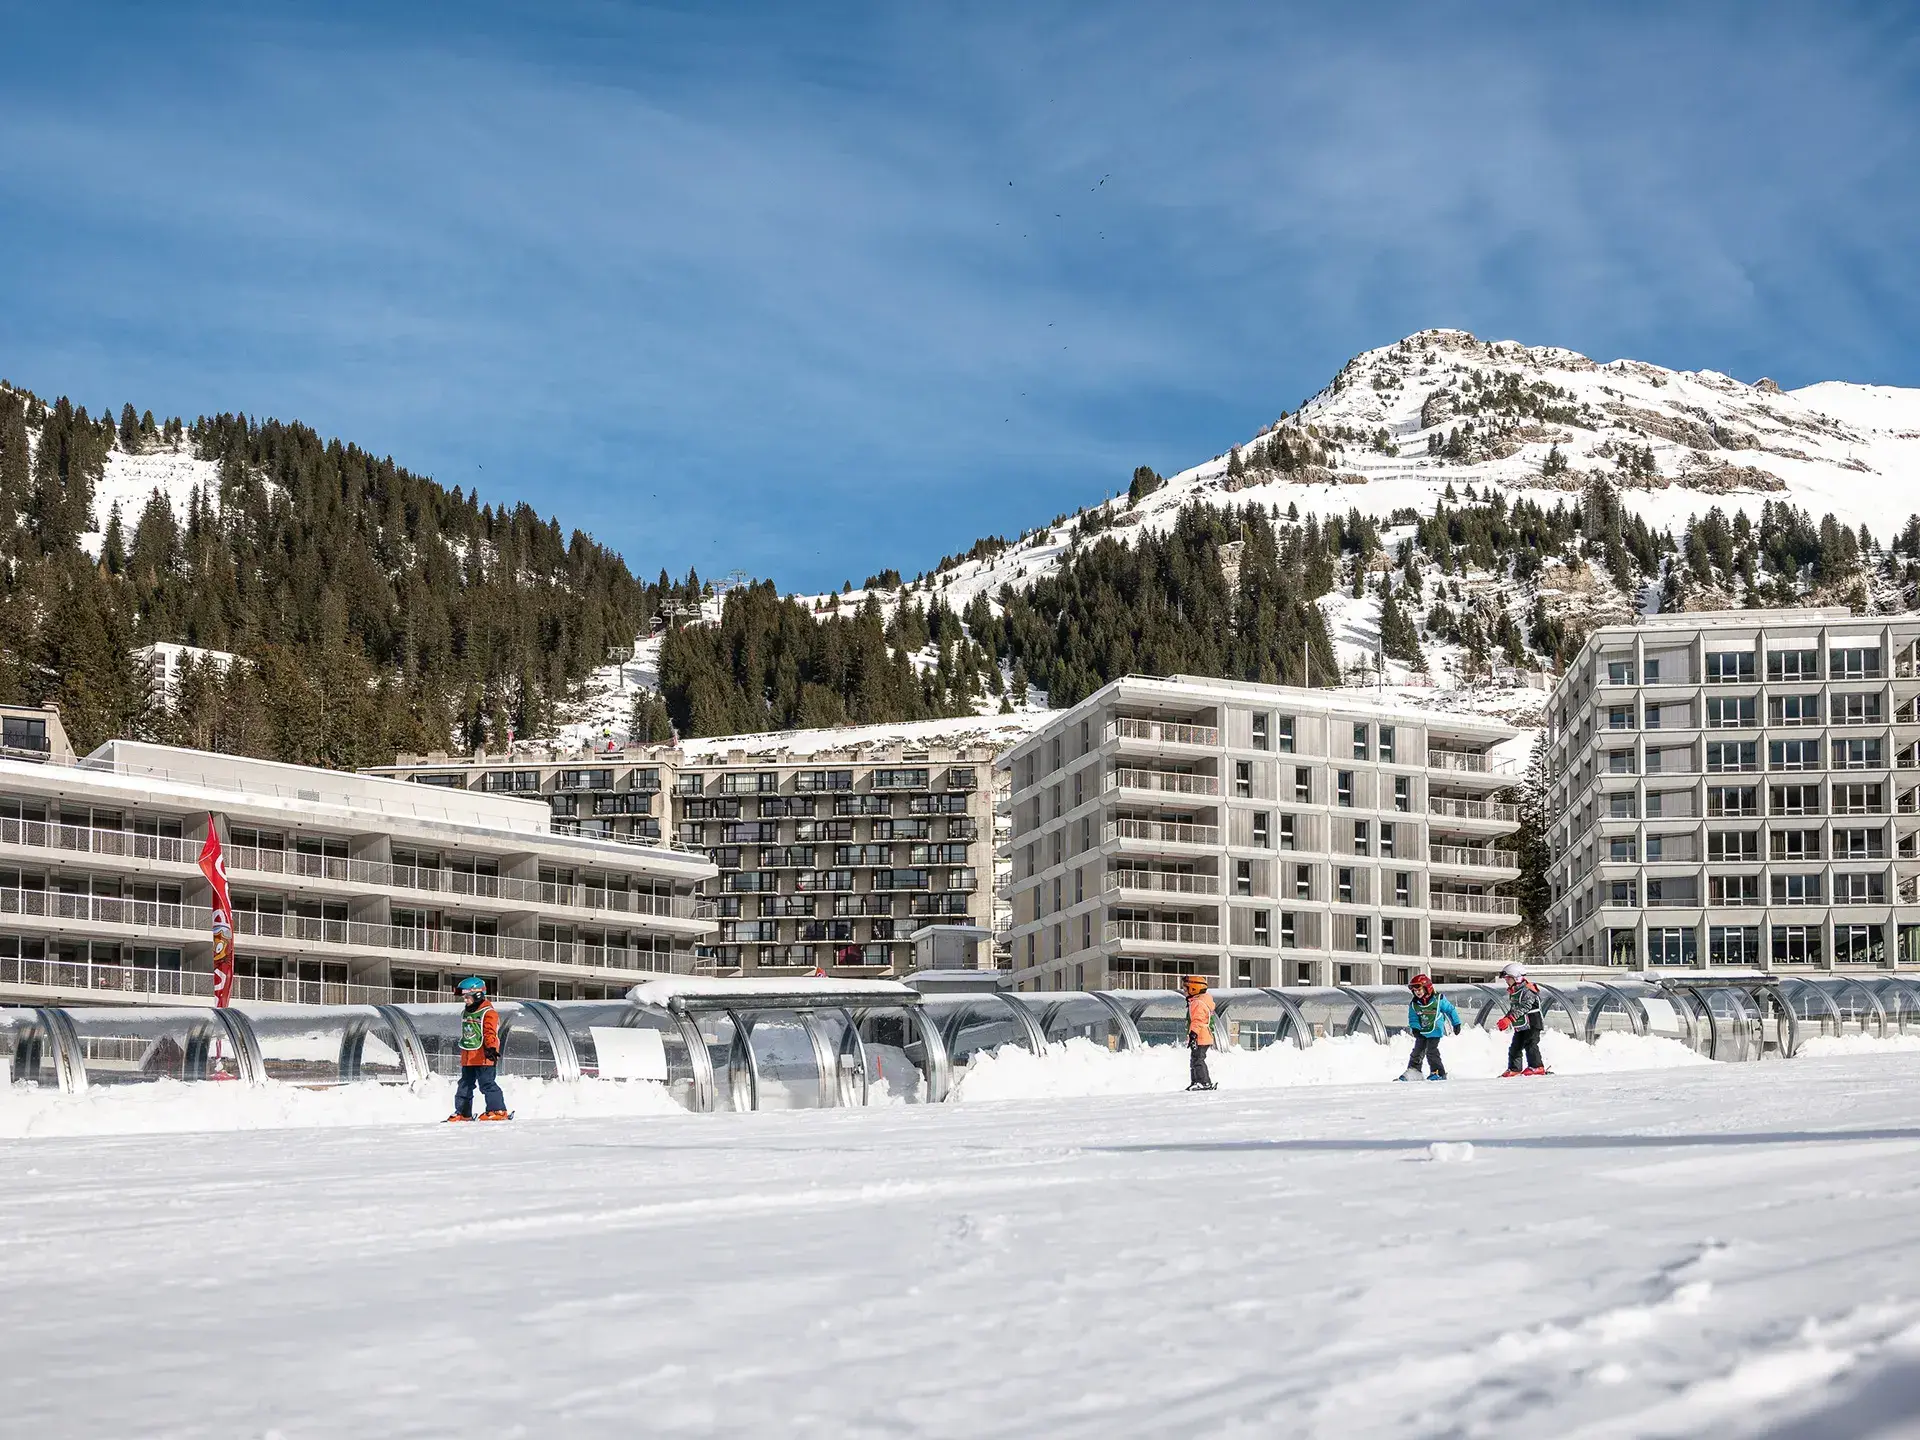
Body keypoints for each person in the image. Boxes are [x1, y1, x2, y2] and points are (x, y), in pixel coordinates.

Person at [447, 977, 511, 1121]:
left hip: (484, 1056)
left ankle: (498, 1110)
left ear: (477, 994)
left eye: (467, 997)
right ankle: (463, 1113)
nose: (465, 1000)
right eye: (464, 997)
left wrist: (491, 1048)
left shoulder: (488, 1013)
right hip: (468, 1056)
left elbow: (490, 1032)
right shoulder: (466, 1012)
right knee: (465, 1085)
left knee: (486, 1083)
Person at [1398, 973, 1460, 1081]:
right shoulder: (1414, 1004)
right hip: (1422, 1031)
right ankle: (1414, 1071)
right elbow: (1413, 1018)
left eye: (1419, 989)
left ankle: (1438, 1072)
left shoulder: (1438, 1000)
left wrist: (1456, 1023)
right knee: (1417, 1051)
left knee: (1431, 1052)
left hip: (1435, 1030)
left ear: (1427, 988)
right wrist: (1415, 1028)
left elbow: (1450, 1010)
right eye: (1415, 991)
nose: (1417, 992)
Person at [1495, 961, 1549, 1076]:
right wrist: (1506, 1019)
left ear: (1517, 978)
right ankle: (1514, 1068)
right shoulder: (1515, 991)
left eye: (1508, 978)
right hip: (1522, 1024)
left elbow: (1525, 1006)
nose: (1506, 981)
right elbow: (1514, 1008)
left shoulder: (1528, 990)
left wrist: (1510, 1018)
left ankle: (1536, 1066)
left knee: (1531, 1044)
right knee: (1516, 1046)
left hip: (1533, 1022)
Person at [1185, 974, 1217, 1091]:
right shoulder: (1197, 1001)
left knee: (1198, 1059)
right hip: (1202, 1035)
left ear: (1194, 989)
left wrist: (1193, 1035)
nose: (1184, 992)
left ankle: (1204, 1082)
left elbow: (1197, 1021)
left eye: (1186, 989)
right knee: (1194, 1059)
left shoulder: (1198, 1003)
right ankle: (1195, 1081)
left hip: (1201, 1036)